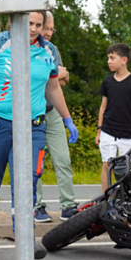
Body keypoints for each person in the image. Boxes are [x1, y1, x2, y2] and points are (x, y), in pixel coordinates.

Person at [0, 10, 78, 260]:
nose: (33, 29)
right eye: (28, 23)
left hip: (32, 126)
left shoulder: (49, 52)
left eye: (38, 24)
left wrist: (67, 118)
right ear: (15, 21)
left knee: (27, 185)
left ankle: (26, 238)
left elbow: (53, 87)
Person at [33, 12, 77, 222]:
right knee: (35, 163)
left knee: (63, 159)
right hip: (32, 114)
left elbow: (62, 82)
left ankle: (68, 206)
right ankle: (36, 206)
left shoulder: (52, 49)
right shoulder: (28, 47)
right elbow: (56, 76)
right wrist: (58, 74)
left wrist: (58, 76)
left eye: (51, 29)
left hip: (52, 111)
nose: (49, 33)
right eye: (46, 28)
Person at [94, 43, 131, 194]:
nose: (108, 61)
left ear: (124, 60)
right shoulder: (107, 82)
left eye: (112, 58)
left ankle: (127, 197)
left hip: (129, 133)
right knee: (106, 165)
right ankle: (106, 198)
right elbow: (103, 106)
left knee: (127, 169)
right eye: (108, 58)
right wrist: (99, 130)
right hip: (108, 130)